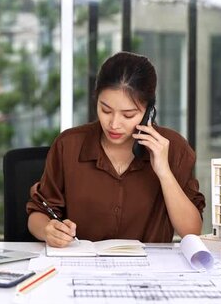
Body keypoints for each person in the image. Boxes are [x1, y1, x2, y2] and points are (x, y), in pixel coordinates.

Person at [26, 51, 205, 247]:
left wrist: (164, 173)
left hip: (149, 272)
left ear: (149, 112)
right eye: (105, 110)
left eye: (128, 115)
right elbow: (38, 214)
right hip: (81, 267)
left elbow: (191, 231)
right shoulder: (68, 145)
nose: (114, 124)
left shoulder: (175, 148)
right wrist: (48, 230)